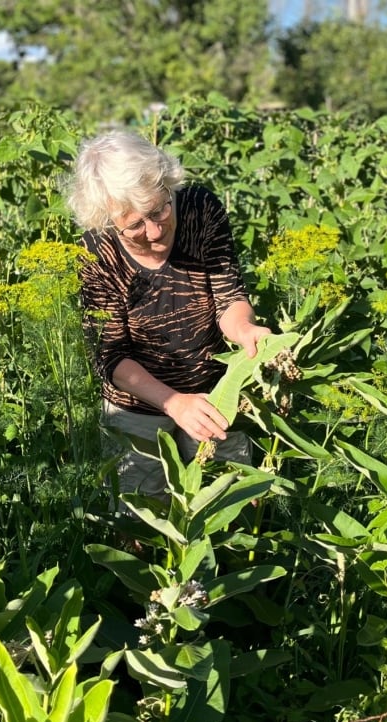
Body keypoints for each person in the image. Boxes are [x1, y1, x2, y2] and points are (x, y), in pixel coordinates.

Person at [67, 129, 271, 504]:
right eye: (134, 226)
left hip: (215, 394)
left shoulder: (199, 207)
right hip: (138, 406)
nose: (156, 230)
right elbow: (110, 355)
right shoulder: (95, 251)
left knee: (226, 506)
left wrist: (244, 330)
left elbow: (228, 294)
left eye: (160, 208)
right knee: (139, 514)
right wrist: (174, 402)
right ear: (107, 222)